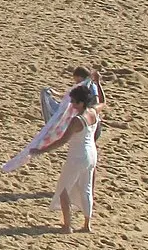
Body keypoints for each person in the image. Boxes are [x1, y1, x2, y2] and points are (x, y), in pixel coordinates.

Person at [33, 82, 100, 232]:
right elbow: (103, 102)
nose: (72, 104)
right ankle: (86, 225)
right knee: (86, 188)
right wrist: (99, 84)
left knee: (63, 189)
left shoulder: (77, 120)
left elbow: (63, 140)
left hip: (78, 156)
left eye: (74, 102)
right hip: (91, 154)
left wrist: (42, 150)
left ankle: (67, 225)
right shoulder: (93, 112)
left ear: (81, 103)